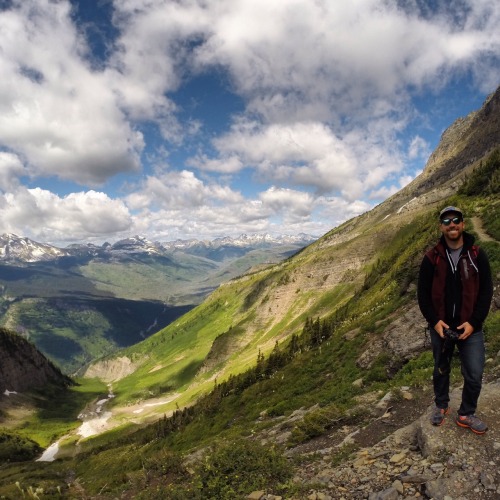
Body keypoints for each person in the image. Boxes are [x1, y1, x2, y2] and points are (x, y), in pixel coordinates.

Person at [418, 206, 493, 434]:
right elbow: (422, 294)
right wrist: (435, 321)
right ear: (441, 226)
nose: (452, 224)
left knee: (474, 372)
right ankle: (441, 405)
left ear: (463, 223)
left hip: (470, 327)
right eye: (447, 221)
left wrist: (474, 322)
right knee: (441, 368)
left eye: (456, 220)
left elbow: (486, 292)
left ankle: (466, 413)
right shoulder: (432, 258)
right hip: (441, 326)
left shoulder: (477, 255)